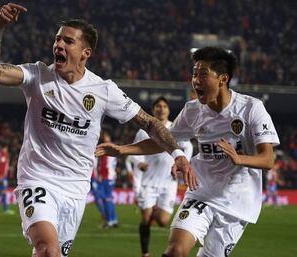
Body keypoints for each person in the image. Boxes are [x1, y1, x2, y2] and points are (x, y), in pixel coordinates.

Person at [0, 3, 197, 257]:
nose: (58, 45)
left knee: (56, 252)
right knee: (47, 249)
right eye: (57, 39)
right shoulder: (37, 75)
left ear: (85, 53)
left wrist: (178, 155)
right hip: (37, 179)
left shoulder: (103, 90)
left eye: (68, 41)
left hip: (76, 188)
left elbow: (149, 122)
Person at [95, 46, 279, 257]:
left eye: (203, 74)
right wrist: (122, 149)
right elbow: (164, 141)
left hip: (235, 203)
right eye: (194, 74)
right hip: (200, 192)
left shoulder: (251, 109)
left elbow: (267, 159)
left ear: (223, 78)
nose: (196, 80)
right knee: (175, 250)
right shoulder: (193, 110)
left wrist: (239, 158)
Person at [134, 97, 193, 257]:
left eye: (164, 106)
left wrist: (184, 163)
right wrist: (139, 163)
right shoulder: (143, 131)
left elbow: (188, 146)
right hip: (149, 182)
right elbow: (135, 151)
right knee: (145, 217)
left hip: (169, 183)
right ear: (153, 110)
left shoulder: (176, 129)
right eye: (158, 106)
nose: (161, 109)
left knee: (163, 220)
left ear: (168, 110)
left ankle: (153, 209)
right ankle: (145, 253)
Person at [97, 130, 119, 228]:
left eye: (104, 136)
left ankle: (110, 221)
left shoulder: (107, 147)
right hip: (111, 176)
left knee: (107, 199)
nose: (103, 138)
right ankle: (113, 220)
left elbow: (105, 164)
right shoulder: (113, 146)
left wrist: (101, 175)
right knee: (108, 199)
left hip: (107, 176)